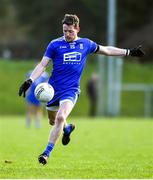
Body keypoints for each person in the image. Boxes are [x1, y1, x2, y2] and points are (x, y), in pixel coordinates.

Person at [18, 14, 144, 165]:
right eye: (65, 31)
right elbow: (42, 64)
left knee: (60, 117)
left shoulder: (86, 44)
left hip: (71, 90)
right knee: (53, 121)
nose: (67, 34)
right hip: (52, 90)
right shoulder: (54, 45)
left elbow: (107, 50)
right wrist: (30, 80)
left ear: (77, 28)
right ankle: (67, 128)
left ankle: (46, 154)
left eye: (70, 31)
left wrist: (129, 52)